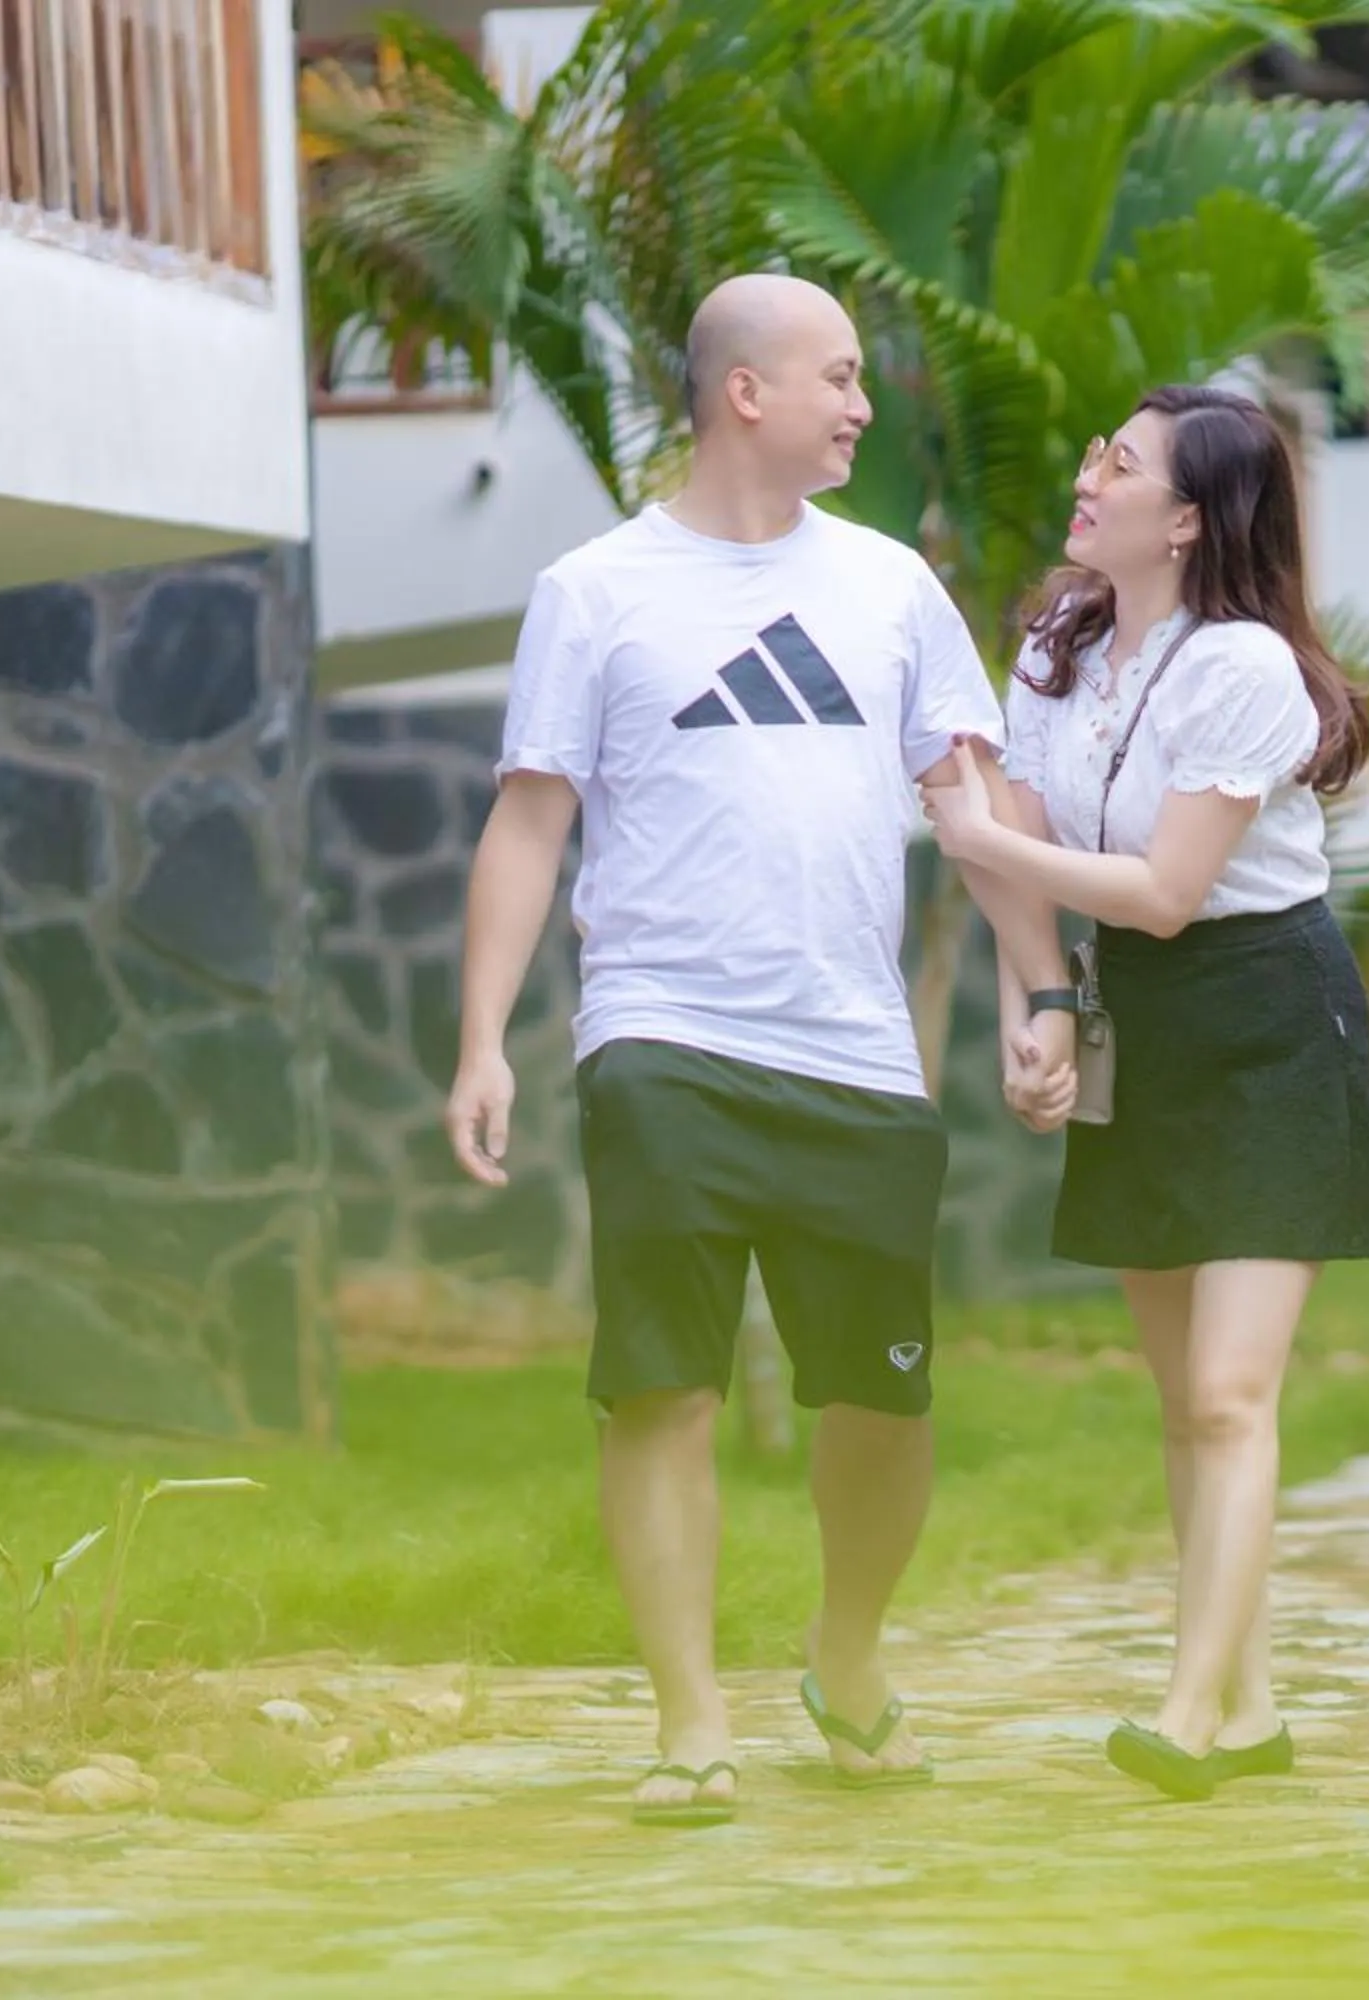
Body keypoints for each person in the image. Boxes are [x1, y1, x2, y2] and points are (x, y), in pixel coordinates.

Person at [445, 274, 1076, 1828]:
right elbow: (531, 824)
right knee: (660, 1385)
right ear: (747, 392)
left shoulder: (890, 589)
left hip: (857, 1054)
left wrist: (1042, 992)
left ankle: (842, 1651)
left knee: (883, 1402)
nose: (864, 406)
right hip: (660, 1035)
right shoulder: (595, 592)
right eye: (840, 375)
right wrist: (484, 1044)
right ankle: (688, 1720)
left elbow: (972, 809)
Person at [919, 385, 1369, 1801]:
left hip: (1262, 1017)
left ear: (1188, 519)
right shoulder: (1063, 649)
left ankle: (1186, 1714)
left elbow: (1171, 892)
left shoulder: (1243, 666)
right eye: (1093, 454)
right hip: (1142, 1014)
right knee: (1184, 1404)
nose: (1086, 476)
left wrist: (977, 837)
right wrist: (1043, 1001)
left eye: (1118, 465)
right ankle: (1247, 1711)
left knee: (1232, 1392)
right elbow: (1021, 841)